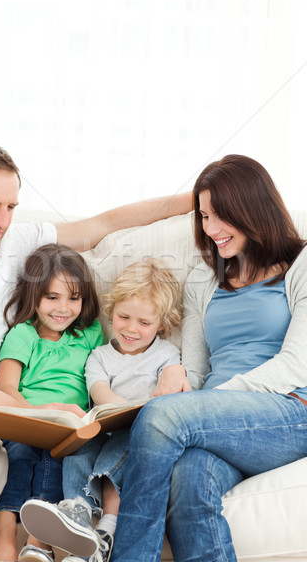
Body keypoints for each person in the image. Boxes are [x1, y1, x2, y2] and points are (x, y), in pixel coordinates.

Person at [0, 142, 192, 557]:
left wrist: (197, 197)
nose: (2, 220)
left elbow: (102, 224)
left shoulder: (14, 240)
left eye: (10, 206)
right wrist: (25, 412)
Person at [106, 154, 307, 562]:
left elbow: (296, 364)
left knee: (163, 416)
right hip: (215, 419)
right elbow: (197, 372)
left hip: (289, 411)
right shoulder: (203, 279)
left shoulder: (301, 266)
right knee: (189, 479)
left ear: (253, 209)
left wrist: (209, 402)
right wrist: (178, 371)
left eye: (221, 216)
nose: (210, 229)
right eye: (204, 216)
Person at [20, 258, 189, 562]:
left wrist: (162, 388)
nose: (132, 329)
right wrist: (113, 409)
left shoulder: (167, 353)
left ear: (162, 324)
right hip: (104, 423)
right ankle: (78, 512)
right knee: (79, 451)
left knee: (118, 451)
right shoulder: (99, 356)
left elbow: (172, 391)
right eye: (124, 317)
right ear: (112, 312)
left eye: (145, 323)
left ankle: (106, 529)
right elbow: (100, 393)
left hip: (140, 432)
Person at [0, 243, 104, 562]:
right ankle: (5, 534)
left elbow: (105, 377)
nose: (63, 308)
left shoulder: (90, 334)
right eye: (52, 297)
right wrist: (41, 414)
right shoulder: (23, 334)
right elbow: (6, 389)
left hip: (67, 431)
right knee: (19, 457)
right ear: (33, 295)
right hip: (25, 423)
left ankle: (38, 541)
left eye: (73, 298)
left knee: (58, 464)